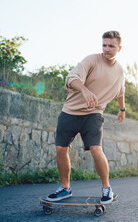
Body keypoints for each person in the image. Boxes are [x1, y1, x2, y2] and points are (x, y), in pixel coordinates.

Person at [46, 31, 126, 204]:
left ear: (119, 48)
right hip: (70, 110)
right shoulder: (91, 60)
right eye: (104, 45)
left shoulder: (119, 71)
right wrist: (85, 90)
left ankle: (106, 188)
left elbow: (120, 91)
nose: (106, 49)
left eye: (111, 46)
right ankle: (65, 188)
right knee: (61, 148)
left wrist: (122, 109)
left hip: (94, 113)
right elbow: (71, 78)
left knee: (96, 148)